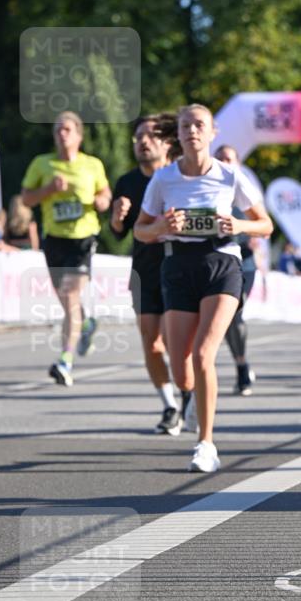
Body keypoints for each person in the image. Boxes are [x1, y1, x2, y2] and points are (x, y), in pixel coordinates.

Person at [134, 104, 273, 472]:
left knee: (204, 353)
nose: (192, 131)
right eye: (185, 126)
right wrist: (163, 225)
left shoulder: (230, 176)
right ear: (177, 135)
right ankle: (191, 397)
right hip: (178, 265)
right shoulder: (164, 179)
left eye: (199, 125)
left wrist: (238, 226)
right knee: (182, 369)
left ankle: (206, 444)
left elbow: (266, 225)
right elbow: (140, 231)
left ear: (212, 134)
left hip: (221, 264)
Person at [21, 111, 111, 386]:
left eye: (68, 129)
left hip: (83, 239)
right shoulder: (42, 163)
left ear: (79, 135)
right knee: (66, 299)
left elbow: (106, 195)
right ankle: (85, 324)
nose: (62, 134)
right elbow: (26, 199)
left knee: (71, 297)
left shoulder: (92, 165)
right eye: (58, 129)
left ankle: (65, 361)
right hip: (55, 239)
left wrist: (100, 201)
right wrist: (48, 189)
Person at [111, 114, 181, 434]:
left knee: (175, 341)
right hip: (143, 270)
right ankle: (169, 404)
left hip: (178, 266)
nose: (143, 141)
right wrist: (116, 216)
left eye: (151, 135)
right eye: (138, 136)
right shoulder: (127, 182)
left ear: (167, 142)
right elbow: (119, 233)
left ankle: (191, 392)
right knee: (152, 344)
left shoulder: (180, 176)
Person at [214, 144, 260, 396]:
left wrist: (246, 230)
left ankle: (241, 367)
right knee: (226, 319)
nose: (224, 162)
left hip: (244, 264)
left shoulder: (244, 189)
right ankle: (239, 363)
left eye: (229, 159)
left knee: (235, 314)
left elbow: (262, 224)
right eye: (219, 158)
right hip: (214, 261)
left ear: (238, 163)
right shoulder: (205, 188)